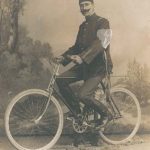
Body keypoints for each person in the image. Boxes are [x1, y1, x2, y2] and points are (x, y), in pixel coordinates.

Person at [56, 0, 113, 145]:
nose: (84, 8)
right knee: (61, 80)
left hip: (98, 67)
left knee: (83, 94)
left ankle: (107, 113)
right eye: (81, 5)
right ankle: (78, 114)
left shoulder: (103, 22)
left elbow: (101, 43)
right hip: (84, 67)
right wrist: (63, 57)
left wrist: (82, 57)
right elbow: (77, 47)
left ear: (93, 5)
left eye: (86, 4)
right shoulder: (83, 26)